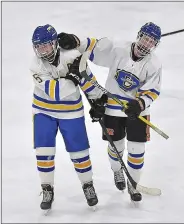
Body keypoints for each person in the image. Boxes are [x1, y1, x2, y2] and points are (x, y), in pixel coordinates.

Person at [58, 22, 162, 202]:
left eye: (151, 42)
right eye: (145, 38)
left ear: (155, 45)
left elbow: (153, 90)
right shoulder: (118, 48)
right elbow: (94, 46)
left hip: (137, 112)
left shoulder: (154, 64)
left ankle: (134, 184)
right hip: (113, 107)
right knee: (117, 147)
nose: (146, 44)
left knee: (137, 149)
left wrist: (140, 104)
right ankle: (117, 171)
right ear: (139, 35)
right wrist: (75, 41)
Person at [30, 24, 106, 211]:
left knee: (80, 153)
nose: (43, 51)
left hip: (71, 112)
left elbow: (87, 79)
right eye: (39, 47)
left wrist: (99, 99)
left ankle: (88, 185)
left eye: (47, 45)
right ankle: (47, 188)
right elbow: (54, 92)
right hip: (43, 111)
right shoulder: (35, 65)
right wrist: (72, 77)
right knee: (43, 152)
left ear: (55, 43)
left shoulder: (72, 56)